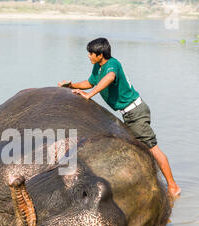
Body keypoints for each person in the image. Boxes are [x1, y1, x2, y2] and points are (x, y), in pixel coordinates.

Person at [58, 37, 181, 199]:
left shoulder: (112, 64)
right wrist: (71, 85)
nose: (89, 56)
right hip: (128, 113)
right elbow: (90, 82)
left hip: (135, 111)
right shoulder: (98, 67)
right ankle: (150, 183)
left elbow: (109, 78)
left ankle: (173, 187)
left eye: (91, 53)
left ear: (100, 54)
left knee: (152, 148)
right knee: (139, 149)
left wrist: (90, 96)